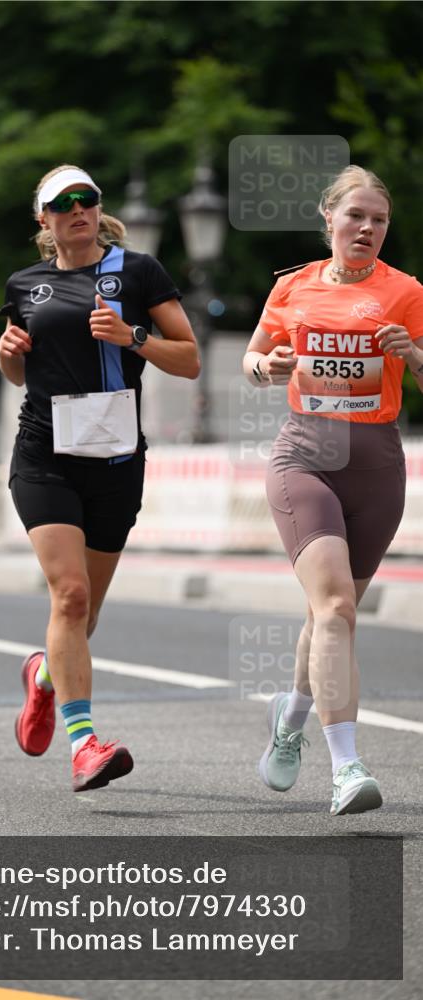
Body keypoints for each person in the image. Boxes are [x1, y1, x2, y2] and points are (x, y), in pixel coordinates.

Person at [0, 164, 200, 793]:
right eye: (64, 204)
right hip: (45, 454)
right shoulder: (25, 285)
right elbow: (19, 374)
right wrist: (7, 359)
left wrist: (133, 335)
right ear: (44, 219)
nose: (78, 210)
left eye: (87, 200)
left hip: (115, 461)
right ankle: (84, 745)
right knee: (71, 596)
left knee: (85, 617)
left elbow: (189, 359)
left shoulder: (137, 271)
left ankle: (44, 678)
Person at [243, 165, 423, 816]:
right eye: (355, 216)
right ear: (328, 219)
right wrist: (269, 366)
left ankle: (288, 723)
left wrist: (413, 354)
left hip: (375, 466)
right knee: (337, 610)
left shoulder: (405, 291)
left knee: (331, 617)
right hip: (306, 457)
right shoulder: (292, 288)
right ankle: (346, 768)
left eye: (378, 219)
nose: (367, 228)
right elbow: (254, 359)